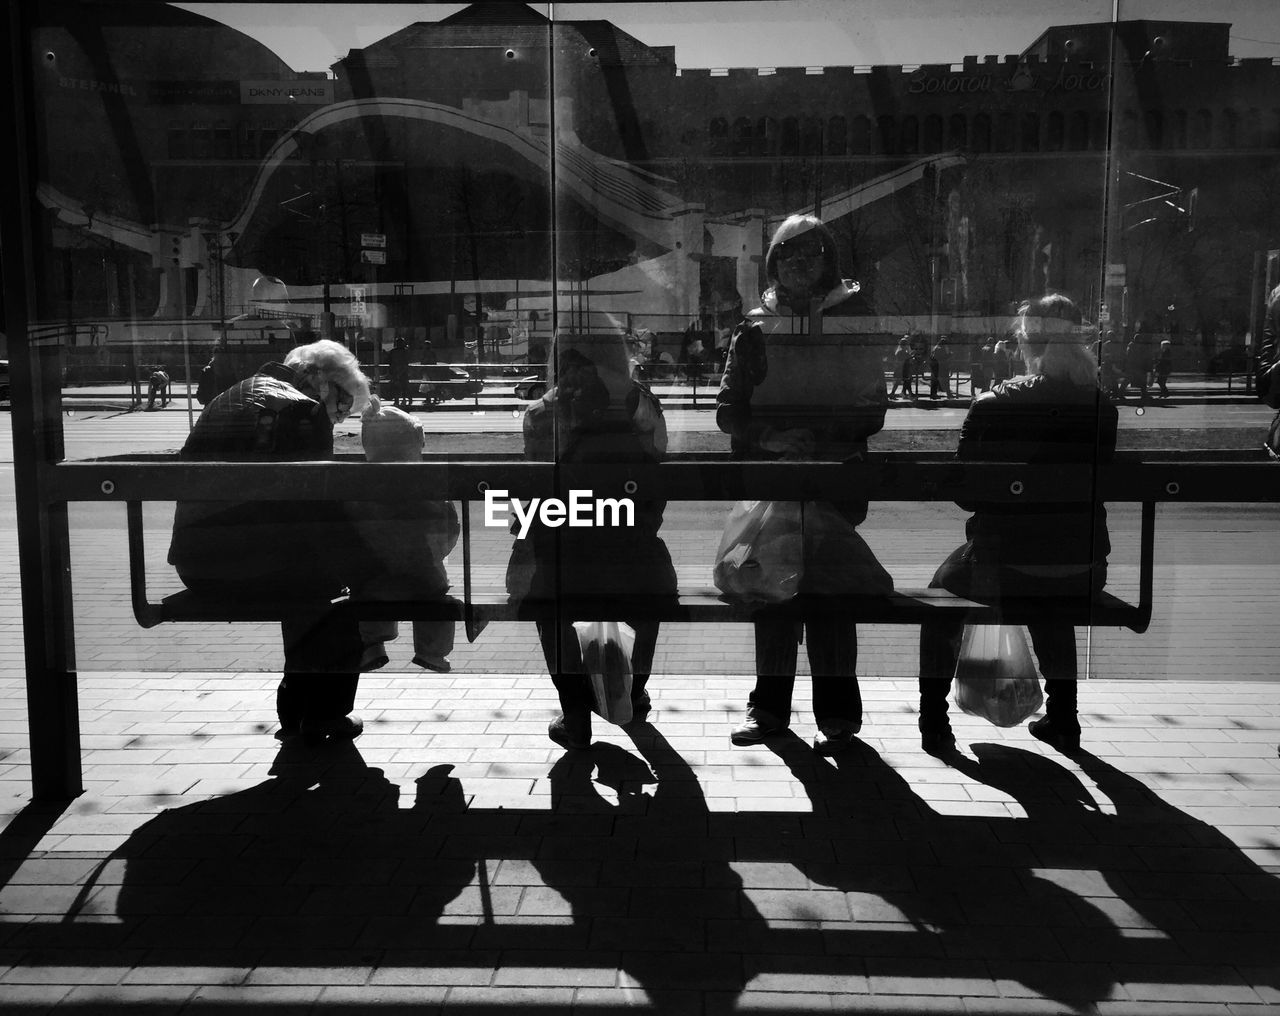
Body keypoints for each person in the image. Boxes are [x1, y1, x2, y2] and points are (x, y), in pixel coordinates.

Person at [916, 293, 1117, 756]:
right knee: (1051, 588)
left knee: (937, 599)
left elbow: (966, 494)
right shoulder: (1102, 407)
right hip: (1084, 567)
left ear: (1025, 344)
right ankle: (1064, 719)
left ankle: (934, 721)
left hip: (1003, 565)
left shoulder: (994, 404)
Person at [717, 213, 889, 754]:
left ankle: (836, 714)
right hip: (775, 484)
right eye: (788, 255)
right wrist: (771, 439)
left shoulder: (853, 318)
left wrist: (818, 439)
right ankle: (770, 707)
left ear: (828, 261)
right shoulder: (754, 327)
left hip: (832, 485)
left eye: (810, 255)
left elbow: (872, 408)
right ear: (773, 264)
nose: (799, 264)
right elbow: (729, 411)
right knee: (771, 591)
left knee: (829, 597)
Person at [168, 339, 376, 743]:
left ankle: (297, 713)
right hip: (247, 562)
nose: (337, 419)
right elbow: (318, 507)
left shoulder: (237, 392)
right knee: (342, 597)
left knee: (313, 589)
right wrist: (367, 563)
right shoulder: (302, 410)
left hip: (199, 560)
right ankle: (324, 715)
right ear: (322, 381)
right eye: (341, 405)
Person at [506, 335, 677, 751]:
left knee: (548, 602)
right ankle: (633, 693)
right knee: (651, 592)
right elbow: (659, 469)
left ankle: (575, 712)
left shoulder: (541, 412)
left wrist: (521, 523)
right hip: (632, 548)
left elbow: (536, 486)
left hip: (564, 552)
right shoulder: (643, 406)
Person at [353, 395, 459, 674]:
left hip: (373, 578)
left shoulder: (359, 487)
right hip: (423, 578)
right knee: (439, 602)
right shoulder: (426, 486)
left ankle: (372, 644)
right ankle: (431, 651)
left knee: (364, 595)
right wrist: (436, 553)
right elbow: (448, 526)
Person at [387, 336, 412, 409]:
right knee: (397, 386)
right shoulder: (394, 351)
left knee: (404, 387)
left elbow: (406, 362)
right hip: (397, 371)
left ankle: (404, 399)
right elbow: (390, 362)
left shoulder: (404, 351)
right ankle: (397, 400)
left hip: (402, 371)